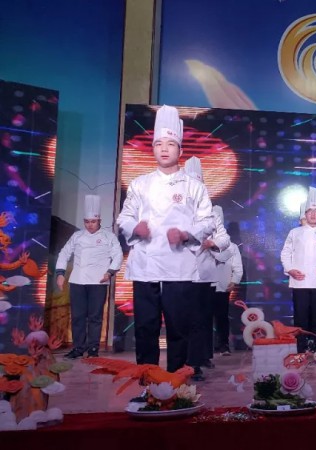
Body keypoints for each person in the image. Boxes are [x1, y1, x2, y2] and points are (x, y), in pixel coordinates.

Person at [117, 105, 214, 376]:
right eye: (158, 144)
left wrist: (185, 234)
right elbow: (124, 217)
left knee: (178, 327)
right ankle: (147, 381)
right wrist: (135, 227)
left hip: (178, 266)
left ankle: (176, 382)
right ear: (153, 149)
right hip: (145, 265)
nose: (164, 149)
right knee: (145, 327)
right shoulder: (140, 184)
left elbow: (207, 221)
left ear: (180, 150)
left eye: (170, 144)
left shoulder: (194, 186)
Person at [56, 194, 122, 359]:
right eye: (87, 222)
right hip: (77, 281)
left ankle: (93, 349)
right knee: (78, 317)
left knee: (95, 317)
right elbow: (64, 253)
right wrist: (60, 273)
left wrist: (110, 272)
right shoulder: (77, 236)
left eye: (93, 222)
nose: (90, 225)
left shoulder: (108, 236)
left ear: (99, 221)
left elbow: (118, 255)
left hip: (99, 281)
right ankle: (78, 348)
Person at [183, 156, 231, 381]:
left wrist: (212, 242)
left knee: (201, 320)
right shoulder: (175, 210)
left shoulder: (210, 212)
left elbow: (224, 238)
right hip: (179, 275)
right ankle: (182, 361)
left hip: (203, 276)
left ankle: (197, 362)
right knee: (182, 320)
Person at [280, 187, 316, 364]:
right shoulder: (295, 233)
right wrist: (290, 269)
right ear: (305, 214)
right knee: (300, 318)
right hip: (299, 282)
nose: (313, 214)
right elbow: (285, 253)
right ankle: (301, 351)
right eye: (310, 211)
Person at [212, 205, 243, 356]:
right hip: (203, 286)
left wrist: (235, 280)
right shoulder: (201, 243)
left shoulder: (231, 246)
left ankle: (223, 345)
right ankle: (205, 347)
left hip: (222, 286)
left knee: (222, 317)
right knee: (202, 318)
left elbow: (237, 265)